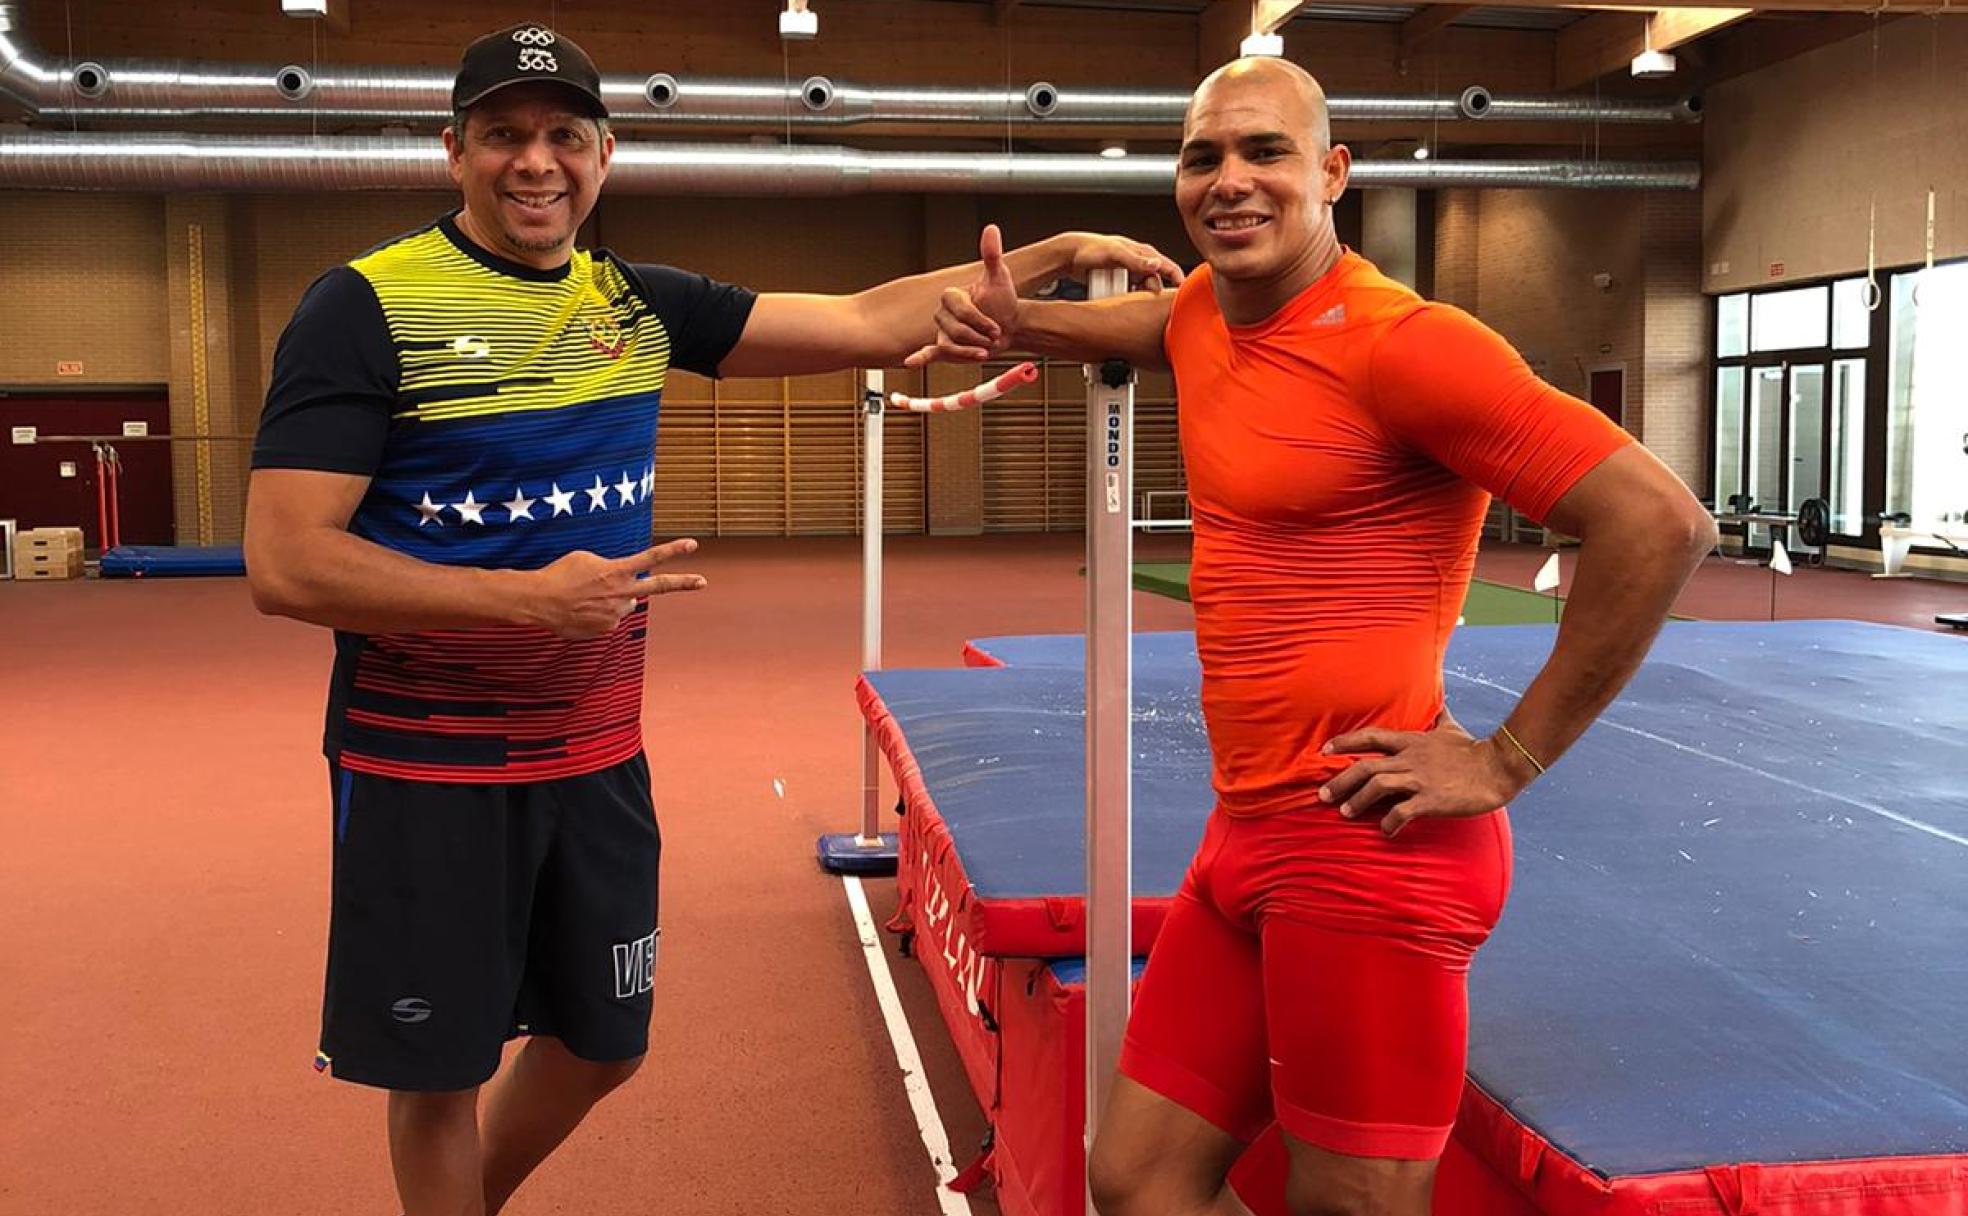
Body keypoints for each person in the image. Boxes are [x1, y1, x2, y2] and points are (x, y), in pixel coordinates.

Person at [241, 21, 1181, 1216]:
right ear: (454, 152)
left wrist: (1052, 249)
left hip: (595, 755)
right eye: (504, 137)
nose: (536, 163)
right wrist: (524, 601)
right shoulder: (365, 305)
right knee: (440, 1071)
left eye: (563, 137)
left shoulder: (634, 304)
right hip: (426, 761)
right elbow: (286, 562)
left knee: (605, 1043)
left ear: (605, 154)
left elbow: (863, 319)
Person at [908, 55, 1716, 1216]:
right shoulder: (1203, 313)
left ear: (1332, 173)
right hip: (1244, 832)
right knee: (1135, 1179)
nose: (1229, 180)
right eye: (1203, 158)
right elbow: (1158, 322)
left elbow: (1658, 521)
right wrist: (1023, 321)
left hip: (1366, 849)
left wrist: (1507, 757)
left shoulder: (1405, 345)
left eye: (1264, 152)